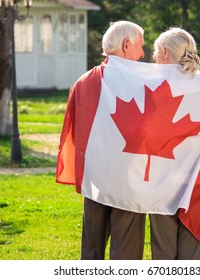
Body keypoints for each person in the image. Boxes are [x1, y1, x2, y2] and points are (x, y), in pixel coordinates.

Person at [56, 21, 146, 260]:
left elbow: (74, 131)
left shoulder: (83, 81)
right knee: (126, 252)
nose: (143, 54)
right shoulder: (142, 82)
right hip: (129, 178)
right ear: (127, 45)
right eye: (140, 47)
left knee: (91, 250)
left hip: (94, 177)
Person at [149, 27, 200, 259]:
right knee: (191, 249)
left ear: (165, 53)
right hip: (198, 179)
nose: (153, 57)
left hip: (162, 177)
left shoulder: (153, 85)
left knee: (163, 248)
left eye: (155, 52)